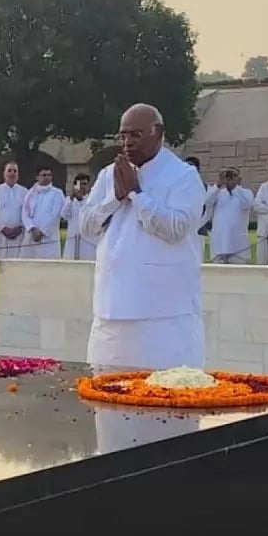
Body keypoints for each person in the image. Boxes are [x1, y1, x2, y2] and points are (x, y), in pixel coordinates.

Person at [79, 103, 205, 370]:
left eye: (136, 134)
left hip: (163, 314)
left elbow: (176, 228)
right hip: (110, 309)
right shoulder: (109, 175)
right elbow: (86, 226)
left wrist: (137, 195)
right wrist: (115, 198)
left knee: (164, 390)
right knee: (105, 388)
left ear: (158, 132)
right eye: (123, 135)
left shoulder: (183, 176)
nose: (128, 142)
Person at [203, 166, 255, 264]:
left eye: (233, 175)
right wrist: (219, 184)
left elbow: (248, 204)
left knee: (238, 272)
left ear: (240, 178)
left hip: (238, 246)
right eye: (228, 176)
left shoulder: (246, 193)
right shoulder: (217, 192)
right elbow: (207, 202)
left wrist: (234, 189)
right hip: (219, 245)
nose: (230, 178)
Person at [20, 165, 64, 259]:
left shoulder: (57, 193)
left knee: (48, 265)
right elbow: (25, 213)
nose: (47, 177)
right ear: (37, 177)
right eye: (44, 175)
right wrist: (32, 228)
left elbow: (55, 216)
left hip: (49, 238)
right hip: (31, 236)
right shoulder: (31, 193)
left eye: (49, 175)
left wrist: (42, 232)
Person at [0, 162, 29, 263]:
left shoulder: (24, 192)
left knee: (18, 263)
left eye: (15, 171)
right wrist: (3, 229)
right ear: (4, 174)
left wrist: (19, 228)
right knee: (1, 263)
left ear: (18, 174)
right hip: (1, 234)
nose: (12, 173)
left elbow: (27, 213)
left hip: (19, 234)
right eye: (9, 170)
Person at [61, 174, 98, 260]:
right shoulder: (69, 200)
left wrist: (81, 200)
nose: (82, 187)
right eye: (80, 184)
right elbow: (64, 215)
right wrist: (71, 198)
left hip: (87, 240)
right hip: (72, 237)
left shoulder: (92, 200)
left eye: (84, 184)